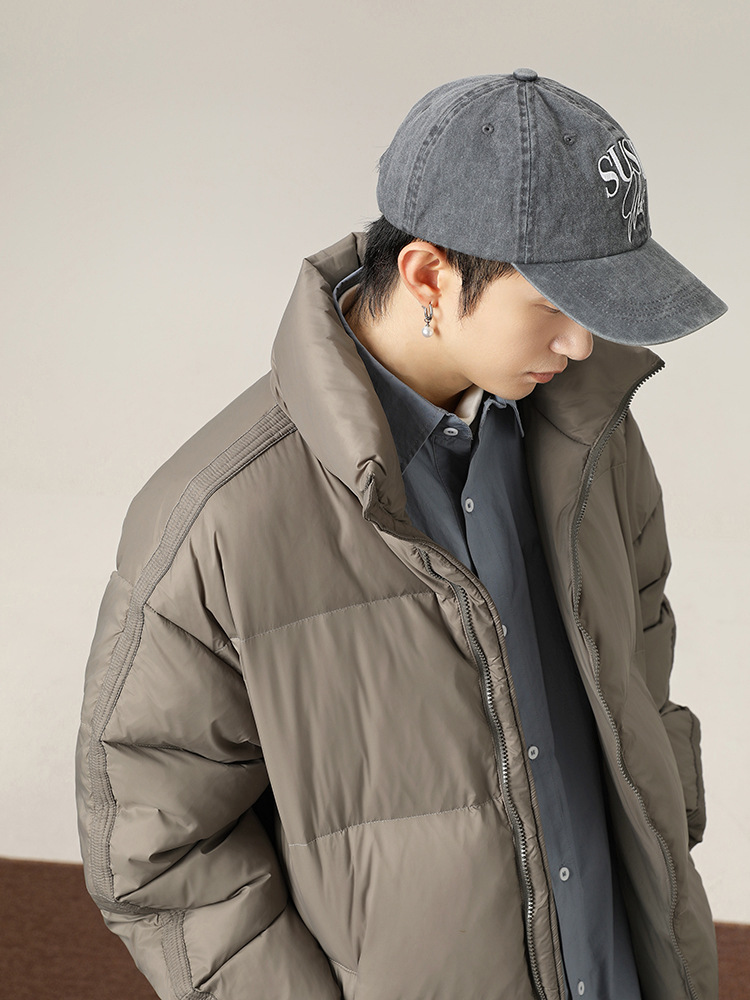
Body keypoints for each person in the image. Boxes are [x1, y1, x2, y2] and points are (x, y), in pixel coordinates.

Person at [75, 70, 727, 1000]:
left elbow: (643, 669)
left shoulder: (596, 438)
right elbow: (158, 854)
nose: (583, 345)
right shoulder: (216, 521)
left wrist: (667, 826)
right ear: (429, 275)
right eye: (554, 305)